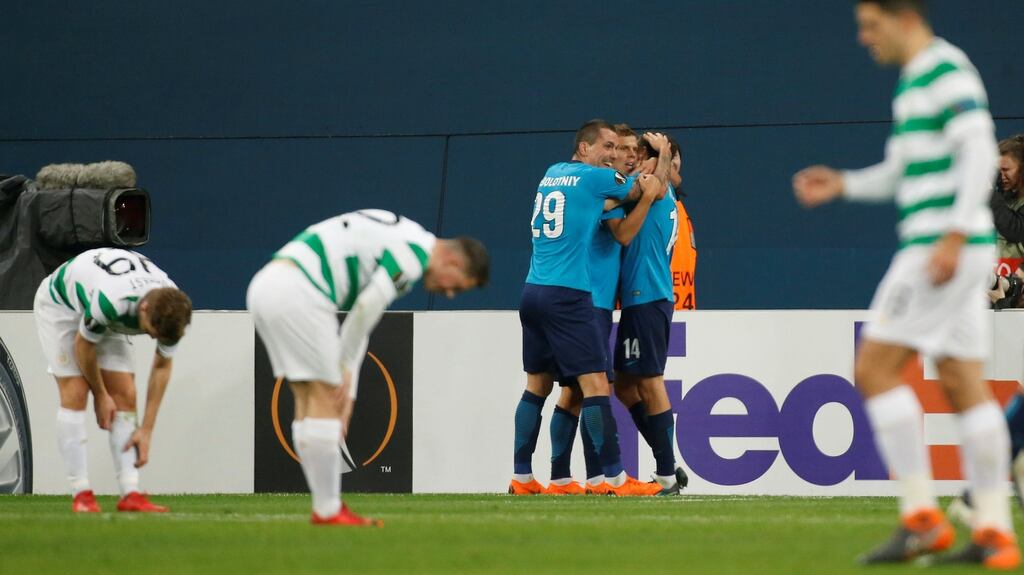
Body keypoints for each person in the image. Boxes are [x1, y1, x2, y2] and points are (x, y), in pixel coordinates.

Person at [792, 0, 1019, 568]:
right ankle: (993, 529)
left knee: (872, 370)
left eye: (871, 26)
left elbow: (977, 151)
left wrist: (952, 235)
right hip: (961, 247)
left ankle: (920, 517)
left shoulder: (944, 71)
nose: (865, 39)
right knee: (964, 383)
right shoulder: (917, 82)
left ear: (905, 17)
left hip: (936, 249)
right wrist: (842, 184)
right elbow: (902, 172)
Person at [247, 209, 488, 525]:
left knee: (307, 399)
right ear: (454, 262)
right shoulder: (414, 257)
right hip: (301, 294)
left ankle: (326, 508)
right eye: (457, 285)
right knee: (322, 400)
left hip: (268, 285)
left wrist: (350, 383)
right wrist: (344, 371)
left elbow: (363, 315)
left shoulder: (407, 234)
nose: (450, 293)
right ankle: (328, 510)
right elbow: (366, 308)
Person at [510, 119, 665, 497]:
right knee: (595, 384)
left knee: (538, 385)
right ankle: (613, 480)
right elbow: (652, 192)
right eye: (607, 147)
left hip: (533, 290)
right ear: (584, 149)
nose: (614, 155)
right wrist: (656, 163)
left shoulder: (553, 173)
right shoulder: (596, 180)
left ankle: (527, 478)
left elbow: (603, 201)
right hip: (569, 295)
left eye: (617, 149)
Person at [34, 247, 192, 513]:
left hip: (101, 311)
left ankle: (131, 493)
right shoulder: (113, 301)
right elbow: (84, 345)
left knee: (125, 394)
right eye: (151, 333)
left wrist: (147, 429)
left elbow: (162, 365)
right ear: (143, 309)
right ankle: (81, 493)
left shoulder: (174, 311)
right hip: (61, 306)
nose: (154, 339)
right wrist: (100, 395)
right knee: (76, 391)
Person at [611, 135, 690, 495]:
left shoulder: (653, 189)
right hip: (643, 297)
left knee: (651, 380)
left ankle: (666, 475)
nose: (634, 161)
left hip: (647, 294)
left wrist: (661, 154)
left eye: (640, 154)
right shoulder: (664, 194)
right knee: (626, 385)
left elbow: (653, 185)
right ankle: (668, 460)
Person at [992, 135, 1024, 260]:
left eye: (1006, 170)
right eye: (999, 170)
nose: (1001, 176)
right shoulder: (1005, 199)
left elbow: (1015, 230)